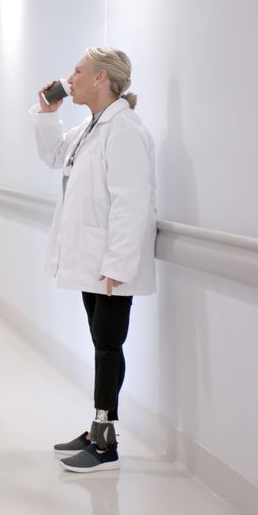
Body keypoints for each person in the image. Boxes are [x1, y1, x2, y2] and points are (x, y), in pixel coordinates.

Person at [30, 47, 157, 472]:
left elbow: (132, 203)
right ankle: (97, 427)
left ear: (101, 77)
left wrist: (118, 265)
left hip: (111, 265)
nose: (71, 78)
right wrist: (48, 112)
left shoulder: (125, 130)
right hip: (93, 259)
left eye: (78, 71)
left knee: (107, 345)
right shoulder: (92, 125)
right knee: (101, 342)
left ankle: (105, 441)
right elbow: (52, 157)